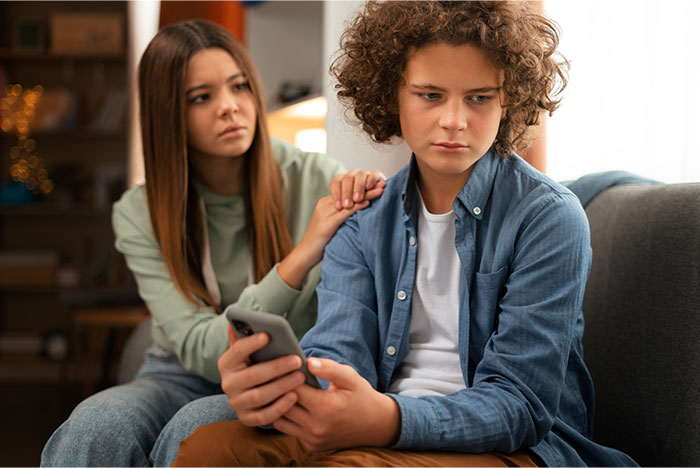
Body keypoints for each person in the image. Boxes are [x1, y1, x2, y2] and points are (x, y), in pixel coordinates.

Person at [165, 2, 640, 466]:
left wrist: (387, 419)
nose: (454, 120)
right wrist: (283, 396)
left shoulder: (549, 218)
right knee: (206, 450)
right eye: (430, 95)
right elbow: (336, 354)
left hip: (514, 448)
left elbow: (521, 405)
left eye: (480, 97)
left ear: (508, 97)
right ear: (393, 93)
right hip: (376, 432)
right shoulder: (363, 217)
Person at [40, 19, 385, 467]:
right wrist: (301, 256)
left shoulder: (316, 179)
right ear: (168, 114)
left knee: (196, 430)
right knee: (93, 426)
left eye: (239, 86)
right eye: (200, 97)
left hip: (275, 376)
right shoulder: (139, 212)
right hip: (176, 374)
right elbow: (200, 349)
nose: (229, 107)